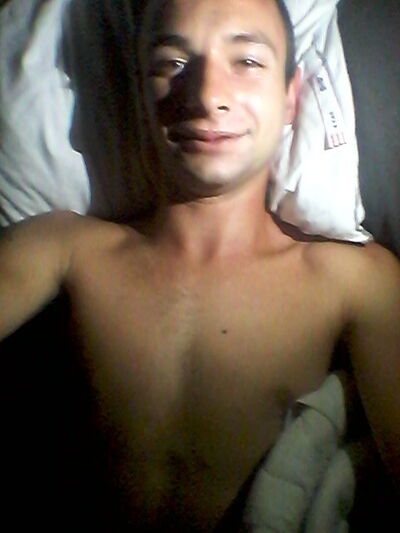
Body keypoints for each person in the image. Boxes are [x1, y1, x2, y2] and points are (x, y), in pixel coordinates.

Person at [1, 0, 399, 530]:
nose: (208, 96)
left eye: (247, 62)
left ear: (291, 98)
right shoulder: (61, 249)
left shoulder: (355, 282)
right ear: (140, 95)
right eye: (172, 63)